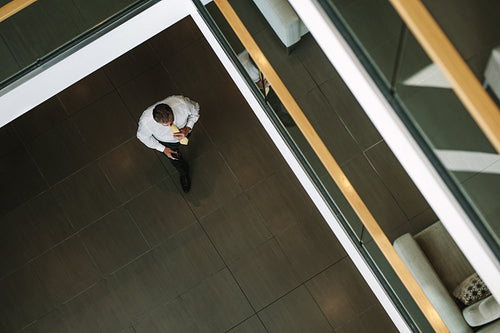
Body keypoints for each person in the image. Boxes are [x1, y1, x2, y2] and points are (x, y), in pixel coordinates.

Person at [137, 95, 200, 192]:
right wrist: (163, 149)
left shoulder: (182, 103)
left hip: (185, 132)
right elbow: (143, 137)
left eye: (172, 122)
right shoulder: (146, 122)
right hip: (167, 143)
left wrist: (188, 127)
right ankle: (184, 173)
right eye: (166, 125)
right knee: (175, 159)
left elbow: (196, 109)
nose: (170, 126)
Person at [237, 50, 295, 127]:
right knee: (272, 101)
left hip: (265, 83)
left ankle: (279, 115)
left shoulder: (259, 54)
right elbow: (239, 89)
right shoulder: (242, 68)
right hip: (256, 87)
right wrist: (257, 86)